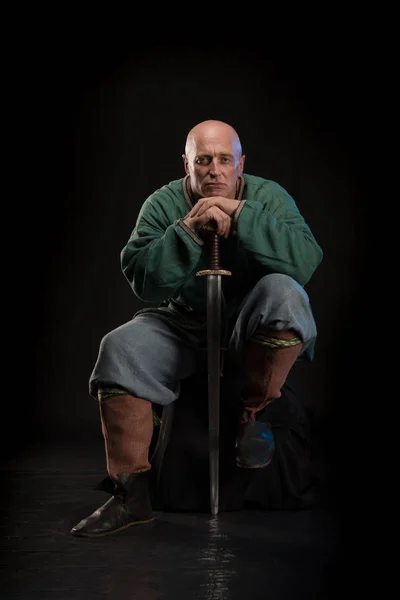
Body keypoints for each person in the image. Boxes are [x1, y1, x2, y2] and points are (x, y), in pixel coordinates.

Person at [70, 119, 323, 537]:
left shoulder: (269, 197)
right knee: (120, 348)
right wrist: (188, 229)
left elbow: (305, 262)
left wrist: (240, 215)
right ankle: (130, 498)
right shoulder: (162, 203)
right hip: (182, 323)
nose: (214, 171)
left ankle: (253, 415)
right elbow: (144, 281)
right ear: (186, 164)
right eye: (203, 160)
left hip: (248, 323)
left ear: (241, 164)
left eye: (225, 160)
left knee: (285, 293)